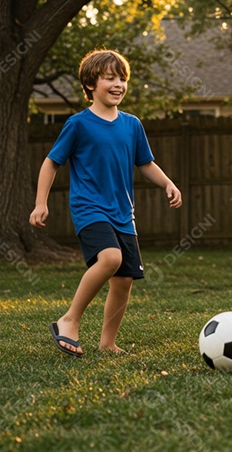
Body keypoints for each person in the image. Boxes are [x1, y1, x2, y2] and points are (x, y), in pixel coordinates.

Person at [31, 49, 182, 357]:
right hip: (90, 209)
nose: (118, 85)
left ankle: (108, 343)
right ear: (90, 84)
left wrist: (167, 182)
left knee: (124, 279)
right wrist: (40, 203)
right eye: (110, 78)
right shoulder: (78, 124)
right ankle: (68, 320)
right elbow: (51, 162)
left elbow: (146, 163)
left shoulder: (132, 125)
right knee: (110, 258)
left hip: (123, 214)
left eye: (122, 79)